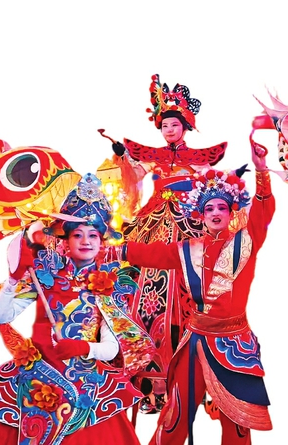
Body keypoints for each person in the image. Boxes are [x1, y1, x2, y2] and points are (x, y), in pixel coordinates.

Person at [0, 174, 153, 445]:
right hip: (37, 379)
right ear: (65, 239)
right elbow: (1, 316)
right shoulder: (44, 275)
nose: (86, 241)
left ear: (102, 240)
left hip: (86, 383)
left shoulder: (109, 284)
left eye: (93, 235)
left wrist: (83, 348)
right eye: (77, 234)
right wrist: (13, 279)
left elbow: (112, 349)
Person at [120, 139, 274, 445]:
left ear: (231, 212)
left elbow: (263, 210)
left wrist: (261, 170)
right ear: (200, 215)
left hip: (234, 343)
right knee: (176, 416)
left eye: (222, 207)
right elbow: (151, 254)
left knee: (237, 425)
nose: (215, 212)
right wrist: (111, 250)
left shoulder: (246, 241)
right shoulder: (188, 249)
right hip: (195, 341)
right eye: (209, 208)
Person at [108, 74, 229, 413]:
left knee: (189, 285)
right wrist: (122, 158)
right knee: (142, 283)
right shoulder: (152, 157)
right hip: (155, 221)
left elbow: (209, 189)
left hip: (187, 225)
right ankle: (142, 367)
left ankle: (190, 369)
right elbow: (133, 177)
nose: (169, 130)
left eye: (175, 124)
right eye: (165, 125)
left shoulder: (201, 159)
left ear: (185, 126)